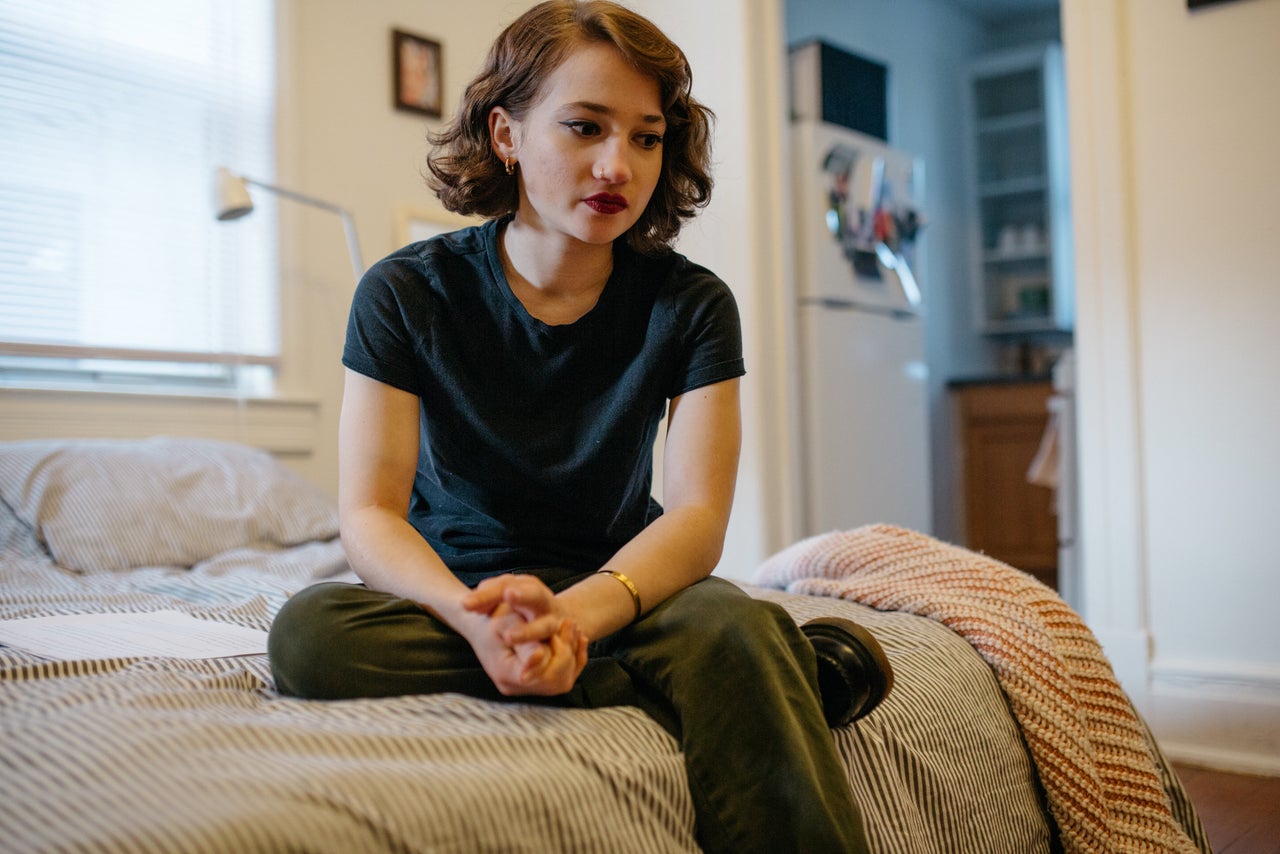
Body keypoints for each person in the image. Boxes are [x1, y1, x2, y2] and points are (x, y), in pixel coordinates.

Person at [268, 2, 892, 851]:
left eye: (645, 136)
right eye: (584, 126)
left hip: (624, 587)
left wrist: (573, 622)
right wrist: (475, 619)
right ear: (506, 134)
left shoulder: (692, 305)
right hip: (462, 596)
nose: (617, 165)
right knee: (310, 637)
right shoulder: (404, 294)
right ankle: (782, 674)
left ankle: (741, 662)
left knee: (733, 624)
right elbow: (370, 514)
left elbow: (698, 517)